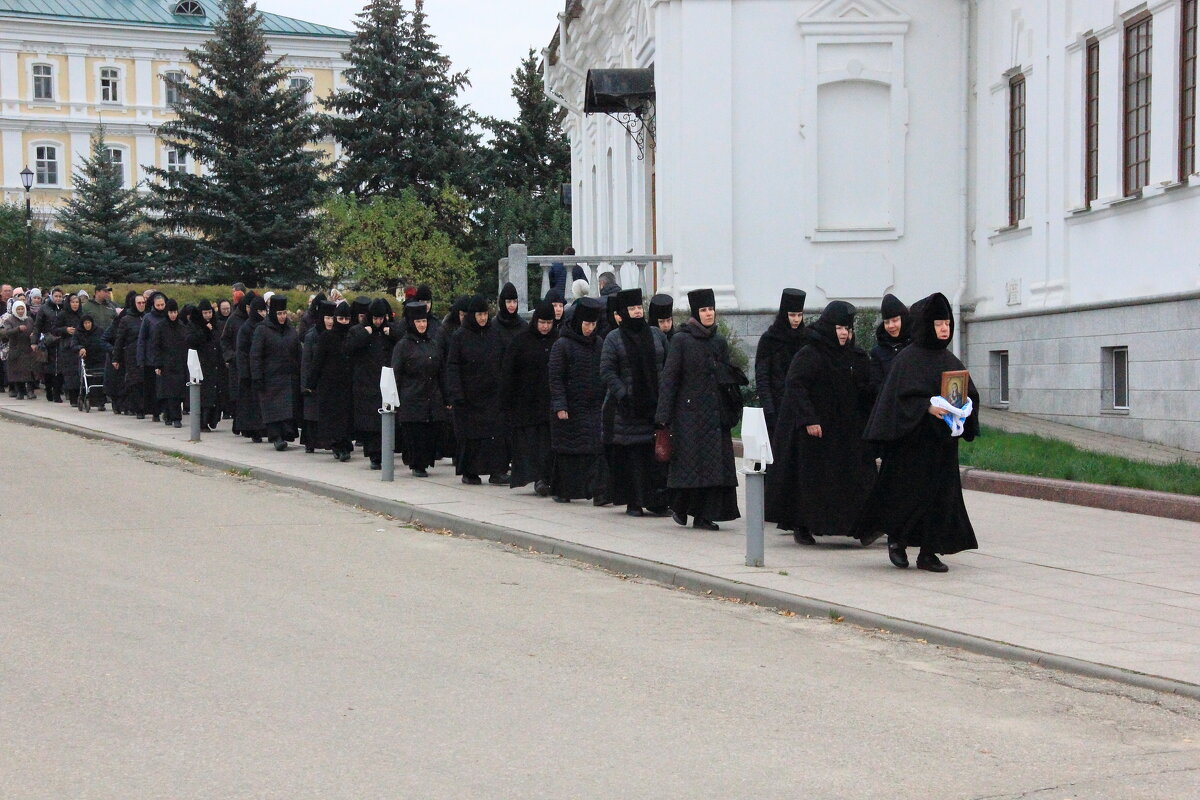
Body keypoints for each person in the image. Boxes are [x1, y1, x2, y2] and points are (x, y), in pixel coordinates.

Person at [854, 292, 980, 573]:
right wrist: (926, 407)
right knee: (906, 497)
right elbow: (897, 400)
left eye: (947, 323)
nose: (944, 328)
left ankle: (929, 552)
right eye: (938, 324)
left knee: (940, 499)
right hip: (910, 447)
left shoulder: (950, 359)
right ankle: (897, 543)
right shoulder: (907, 360)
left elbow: (967, 391)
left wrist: (967, 405)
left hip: (942, 448)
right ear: (926, 326)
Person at [767, 301, 875, 545]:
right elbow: (796, 385)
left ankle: (862, 526)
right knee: (813, 483)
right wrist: (809, 418)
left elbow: (862, 388)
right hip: (816, 431)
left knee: (856, 478)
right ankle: (803, 525)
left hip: (846, 430)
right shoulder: (811, 353)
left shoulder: (854, 355)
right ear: (829, 327)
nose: (844, 333)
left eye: (848, 328)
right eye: (839, 328)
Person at [654, 288, 741, 530]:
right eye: (704, 310)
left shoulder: (719, 341)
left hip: (715, 416)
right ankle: (683, 508)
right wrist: (663, 417)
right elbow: (670, 378)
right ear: (696, 313)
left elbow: (726, 378)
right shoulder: (682, 340)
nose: (709, 314)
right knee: (690, 468)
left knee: (713, 469)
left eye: (711, 309)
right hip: (688, 417)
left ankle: (704, 515)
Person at [600, 288, 670, 517]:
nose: (637, 312)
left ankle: (657, 500)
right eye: (632, 308)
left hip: (655, 405)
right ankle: (634, 502)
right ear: (623, 312)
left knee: (655, 457)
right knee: (633, 459)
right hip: (627, 410)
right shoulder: (614, 338)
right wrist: (624, 394)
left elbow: (668, 365)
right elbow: (607, 371)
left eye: (639, 307)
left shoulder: (656, 334)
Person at [446, 295, 508, 485]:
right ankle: (470, 472)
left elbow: (503, 361)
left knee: (495, 435)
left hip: (492, 394)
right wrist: (456, 394)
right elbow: (453, 366)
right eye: (479, 314)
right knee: (471, 437)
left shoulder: (494, 334)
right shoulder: (460, 336)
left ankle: (497, 471)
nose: (482, 318)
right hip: (469, 396)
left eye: (485, 314)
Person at [547, 297, 604, 502]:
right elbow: (555, 378)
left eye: (593, 324)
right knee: (569, 451)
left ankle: (593, 490)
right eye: (587, 324)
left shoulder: (598, 344)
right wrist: (560, 405)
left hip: (592, 405)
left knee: (593, 448)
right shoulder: (562, 345)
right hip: (569, 406)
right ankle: (565, 491)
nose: (590, 328)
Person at [500, 300, 558, 494]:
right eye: (542, 322)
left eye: (549, 323)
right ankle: (536, 478)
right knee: (531, 445)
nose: (545, 327)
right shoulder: (521, 341)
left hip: (549, 403)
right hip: (526, 404)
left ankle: (546, 478)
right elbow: (509, 373)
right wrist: (507, 402)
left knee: (548, 445)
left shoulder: (557, 341)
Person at [392, 301, 446, 477]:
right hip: (412, 397)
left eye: (424, 321)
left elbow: (441, 370)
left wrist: (445, 397)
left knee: (430, 433)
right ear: (411, 323)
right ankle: (417, 464)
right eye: (418, 322)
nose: (422, 325)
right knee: (416, 434)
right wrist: (395, 399)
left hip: (432, 396)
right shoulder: (403, 346)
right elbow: (396, 373)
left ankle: (425, 461)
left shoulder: (433, 342)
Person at [344, 298, 398, 469]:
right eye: (375, 319)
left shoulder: (389, 332)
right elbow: (348, 348)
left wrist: (392, 333)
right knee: (370, 424)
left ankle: (384, 453)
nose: (378, 322)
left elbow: (403, 339)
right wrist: (364, 333)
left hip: (385, 383)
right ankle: (374, 455)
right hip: (366, 384)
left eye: (381, 319)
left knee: (385, 422)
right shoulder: (358, 330)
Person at [251, 295, 302, 451]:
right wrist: (257, 376)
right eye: (279, 313)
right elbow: (255, 355)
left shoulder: (290, 329)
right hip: (270, 378)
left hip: (288, 376)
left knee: (287, 410)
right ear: (273, 313)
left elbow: (298, 351)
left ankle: (285, 434)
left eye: (284, 313)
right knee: (273, 410)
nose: (282, 317)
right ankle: (276, 437)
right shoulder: (262, 330)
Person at [754, 289, 807, 436]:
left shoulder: (806, 339)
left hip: (801, 409)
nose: (796, 319)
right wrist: (769, 410)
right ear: (784, 314)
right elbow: (762, 377)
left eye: (799, 315)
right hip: (777, 408)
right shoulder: (769, 340)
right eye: (792, 315)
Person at [307, 301, 354, 462]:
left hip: (348, 384)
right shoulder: (327, 337)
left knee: (346, 417)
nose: (344, 322)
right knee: (333, 418)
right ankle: (337, 445)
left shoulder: (352, 336)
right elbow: (318, 361)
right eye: (340, 319)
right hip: (330, 385)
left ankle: (345, 444)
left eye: (347, 319)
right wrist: (311, 383)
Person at [299, 301, 333, 453]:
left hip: (328, 380)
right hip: (314, 379)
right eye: (327, 318)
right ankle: (310, 442)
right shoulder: (311, 336)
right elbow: (306, 362)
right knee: (311, 413)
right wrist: (306, 384)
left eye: (332, 318)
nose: (330, 321)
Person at [185, 300, 222, 431]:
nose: (208, 315)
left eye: (210, 312)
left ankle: (213, 419)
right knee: (203, 395)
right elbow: (191, 341)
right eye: (205, 313)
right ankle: (202, 422)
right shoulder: (194, 325)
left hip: (215, 363)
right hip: (201, 364)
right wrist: (205, 331)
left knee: (214, 394)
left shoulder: (216, 324)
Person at [234, 296, 268, 442]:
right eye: (260, 311)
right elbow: (241, 352)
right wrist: (245, 373)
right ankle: (253, 430)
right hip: (249, 372)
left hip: (263, 371)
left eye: (264, 310)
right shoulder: (246, 328)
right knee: (250, 404)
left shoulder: (266, 326)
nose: (263, 314)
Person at [151, 299, 188, 428]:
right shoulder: (160, 327)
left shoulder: (182, 326)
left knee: (177, 393)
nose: (173, 315)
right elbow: (155, 346)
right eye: (171, 312)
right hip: (166, 364)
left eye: (175, 312)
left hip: (179, 364)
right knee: (168, 393)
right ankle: (170, 416)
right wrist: (158, 365)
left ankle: (175, 417)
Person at [220, 292, 252, 427]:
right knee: (238, 394)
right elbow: (224, 340)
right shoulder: (233, 319)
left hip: (252, 362)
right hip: (237, 363)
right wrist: (231, 356)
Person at [111, 292, 145, 417]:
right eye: (139, 303)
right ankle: (135, 408)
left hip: (145, 354)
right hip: (131, 354)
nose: (141, 305)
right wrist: (116, 358)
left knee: (143, 382)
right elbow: (120, 340)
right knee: (134, 382)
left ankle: (142, 406)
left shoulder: (146, 317)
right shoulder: (126, 319)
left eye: (143, 303)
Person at [869, 293, 911, 392]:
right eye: (886, 322)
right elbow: (876, 384)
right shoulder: (878, 352)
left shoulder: (916, 345)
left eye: (895, 320)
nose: (890, 326)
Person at [137, 292, 168, 420]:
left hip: (166, 357)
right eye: (158, 305)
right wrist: (141, 359)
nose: (160, 307)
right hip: (151, 358)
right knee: (153, 387)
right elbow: (142, 339)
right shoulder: (148, 318)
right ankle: (155, 411)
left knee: (166, 386)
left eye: (162, 305)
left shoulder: (168, 316)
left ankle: (166, 410)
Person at [69, 314, 109, 410]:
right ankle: (87, 398)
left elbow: (104, 341)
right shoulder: (78, 332)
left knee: (99, 379)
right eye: (85, 323)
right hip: (86, 359)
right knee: (87, 379)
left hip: (99, 358)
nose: (87, 325)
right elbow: (73, 345)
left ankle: (101, 402)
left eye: (89, 323)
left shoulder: (99, 331)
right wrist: (80, 348)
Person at [0, 300, 37, 399]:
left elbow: (34, 330)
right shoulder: (10, 320)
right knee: (18, 372)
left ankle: (30, 391)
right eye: (18, 309)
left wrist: (33, 338)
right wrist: (17, 329)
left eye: (22, 309)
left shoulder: (29, 320)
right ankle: (20, 391)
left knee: (30, 371)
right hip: (16, 349)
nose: (20, 311)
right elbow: (6, 332)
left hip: (28, 348)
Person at [34, 287, 65, 403]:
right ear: (52, 296)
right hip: (48, 341)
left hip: (61, 340)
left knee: (60, 368)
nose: (58, 298)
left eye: (60, 296)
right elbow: (37, 326)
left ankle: (57, 392)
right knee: (48, 368)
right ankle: (49, 389)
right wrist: (34, 341)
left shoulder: (64, 309)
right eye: (56, 296)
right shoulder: (44, 308)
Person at [57, 293, 84, 407]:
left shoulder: (82, 315)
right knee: (71, 373)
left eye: (77, 302)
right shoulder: (63, 314)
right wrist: (66, 329)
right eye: (73, 302)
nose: (75, 304)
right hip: (67, 346)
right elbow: (54, 329)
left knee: (81, 372)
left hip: (80, 346)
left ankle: (82, 395)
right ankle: (72, 396)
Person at [494, 281, 528, 349]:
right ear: (503, 303)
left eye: (515, 301)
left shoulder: (523, 325)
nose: (512, 305)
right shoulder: (493, 325)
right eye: (509, 302)